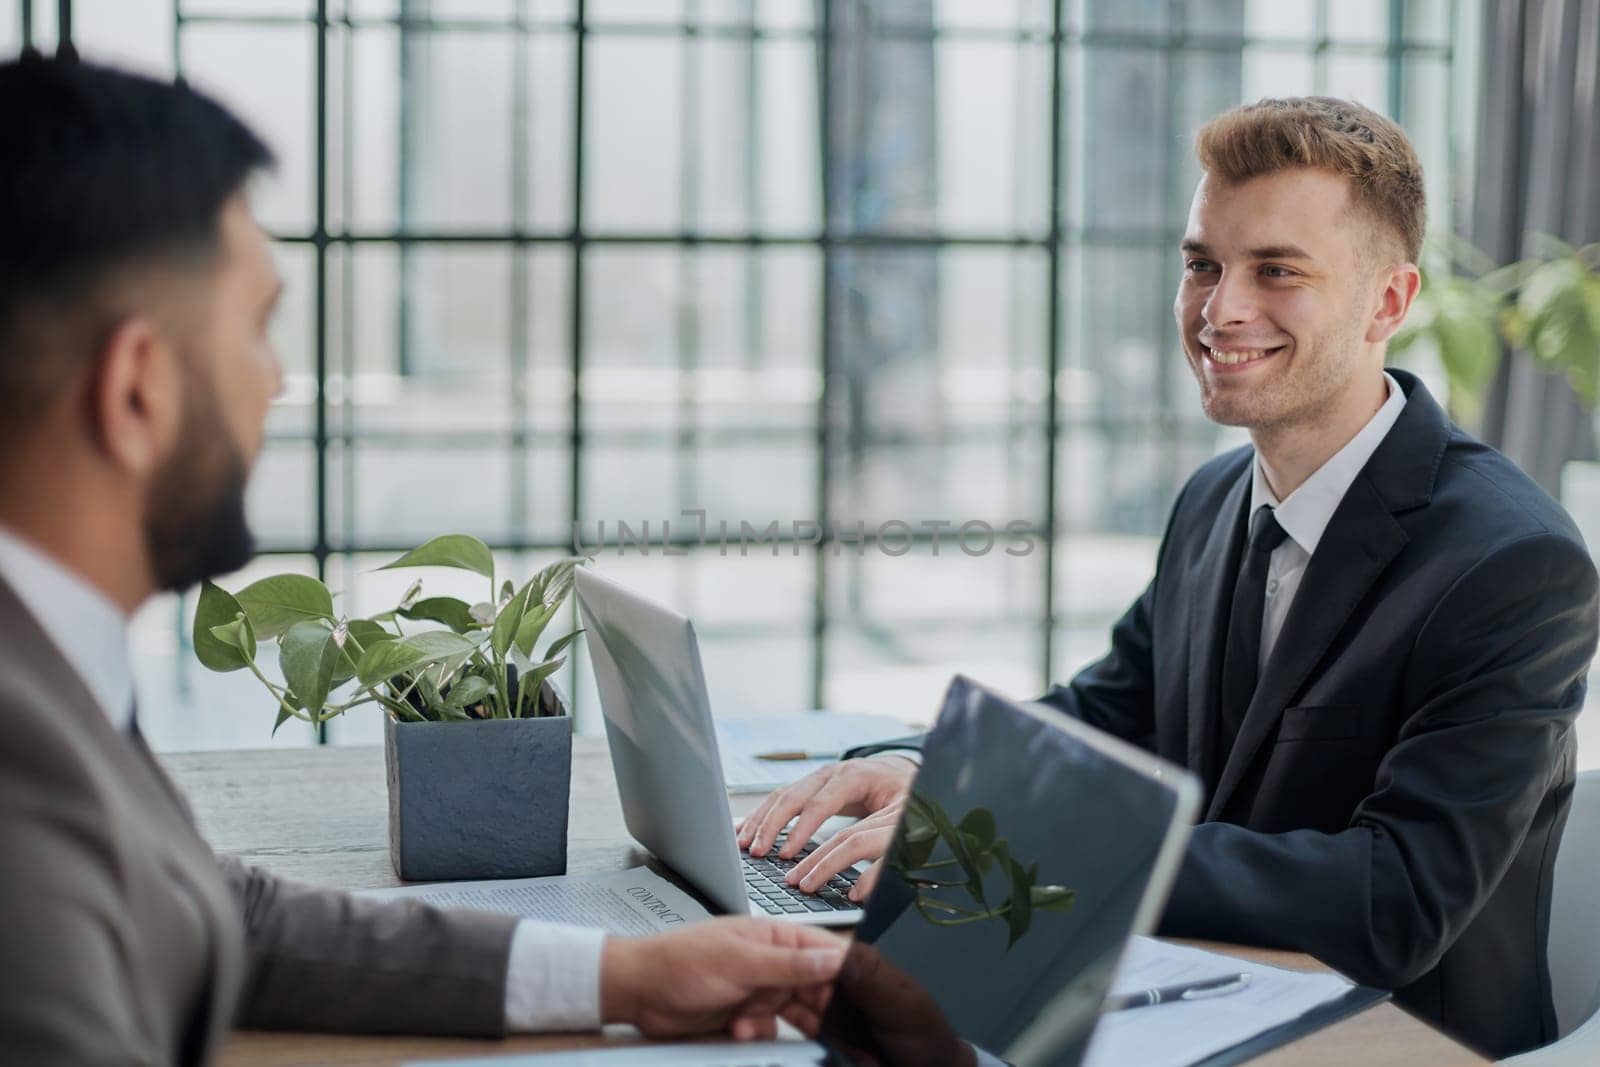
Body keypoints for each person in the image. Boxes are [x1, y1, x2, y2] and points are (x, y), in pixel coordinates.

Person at [0, 54, 844, 1065]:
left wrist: (624, 976)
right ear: (138, 388)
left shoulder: (45, 661)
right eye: (258, 330)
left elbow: (207, 908)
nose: (274, 383)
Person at [740, 96, 1600, 1059]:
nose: (1219, 307)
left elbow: (1394, 896)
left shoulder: (1515, 564)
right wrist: (920, 772)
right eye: (1203, 264)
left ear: (1389, 303)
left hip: (1391, 1037)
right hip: (1194, 991)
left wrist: (1044, 839)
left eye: (1276, 270)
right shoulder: (1217, 496)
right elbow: (1111, 714)